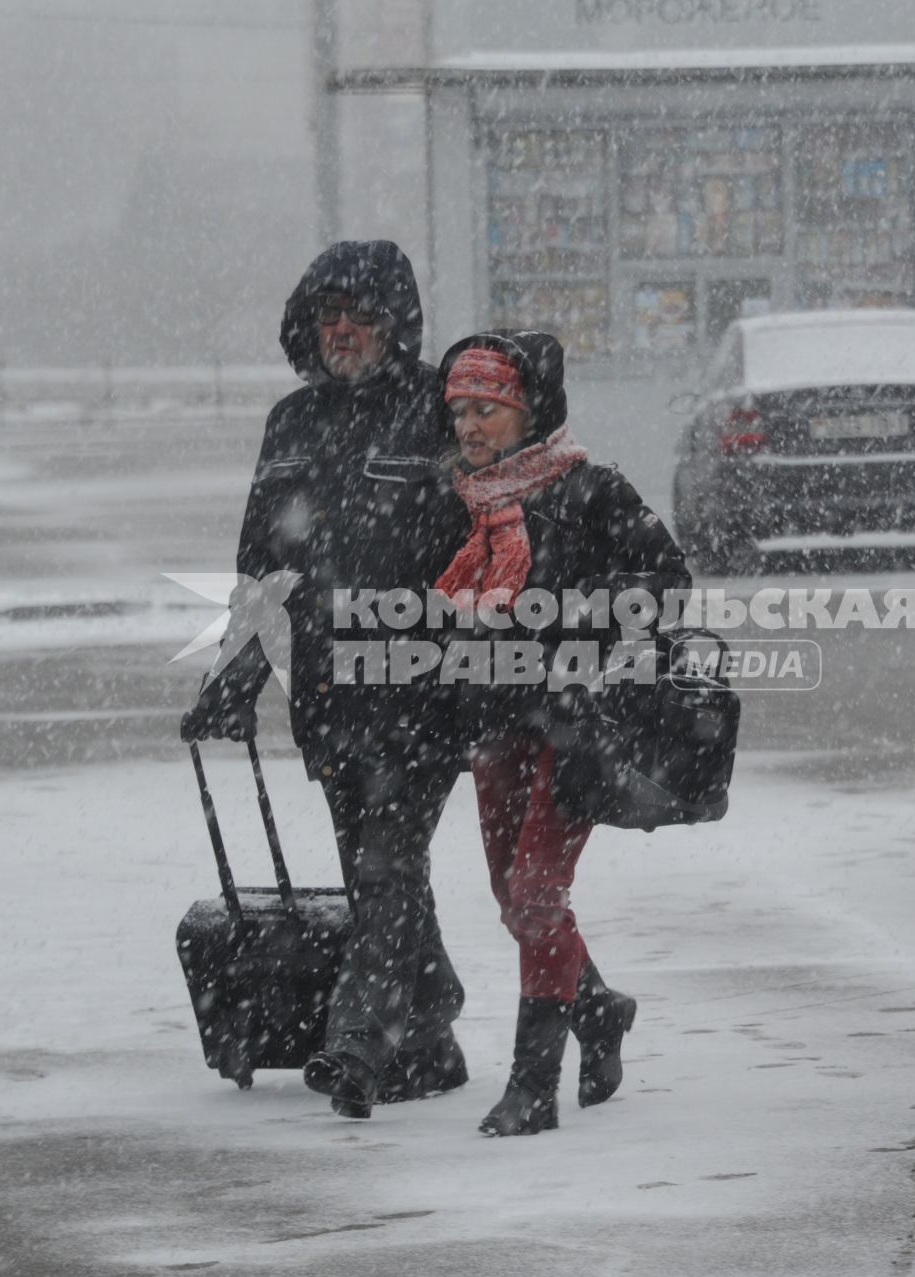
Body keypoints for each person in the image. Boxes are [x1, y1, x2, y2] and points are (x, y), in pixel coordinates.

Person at [180, 241, 471, 1119]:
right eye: (328, 316)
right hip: (330, 697)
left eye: (362, 315)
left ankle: (360, 1034)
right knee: (381, 867)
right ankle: (439, 1033)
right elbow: (261, 561)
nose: (342, 331)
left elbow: (489, 545)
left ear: (397, 325)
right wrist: (235, 674)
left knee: (384, 860)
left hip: (423, 685)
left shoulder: (438, 412)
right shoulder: (290, 423)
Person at [431, 330, 689, 1136]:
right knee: (516, 897)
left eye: (489, 410)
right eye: (461, 411)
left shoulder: (590, 490)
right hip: (494, 720)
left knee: (540, 893)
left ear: (530, 411)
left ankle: (532, 1084)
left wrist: (583, 625)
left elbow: (667, 582)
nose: (470, 427)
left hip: (575, 724)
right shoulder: (464, 503)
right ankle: (600, 1009)